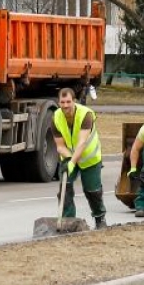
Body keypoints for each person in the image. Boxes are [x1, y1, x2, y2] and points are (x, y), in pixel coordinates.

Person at [51, 87, 106, 229]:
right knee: (65, 186)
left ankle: (100, 218)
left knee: (92, 191)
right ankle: (68, 221)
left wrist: (72, 162)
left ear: (74, 101)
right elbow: (60, 146)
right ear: (58, 102)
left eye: (68, 101)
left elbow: (82, 143)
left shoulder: (85, 115)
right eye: (62, 102)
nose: (65, 105)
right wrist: (69, 160)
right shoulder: (56, 117)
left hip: (89, 158)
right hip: (70, 156)